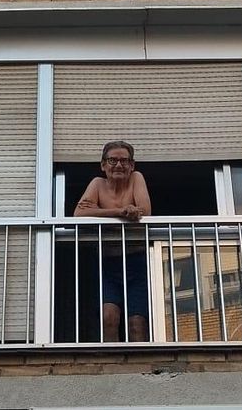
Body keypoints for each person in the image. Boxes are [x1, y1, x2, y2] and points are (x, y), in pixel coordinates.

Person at [74, 140, 152, 342]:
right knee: (109, 317)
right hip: (108, 263)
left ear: (132, 165)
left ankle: (137, 368)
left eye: (124, 161)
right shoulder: (97, 184)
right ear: (103, 165)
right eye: (112, 160)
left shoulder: (136, 178)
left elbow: (145, 212)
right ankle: (113, 366)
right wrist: (120, 212)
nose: (119, 165)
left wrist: (101, 214)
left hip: (137, 262)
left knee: (137, 324)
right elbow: (80, 214)